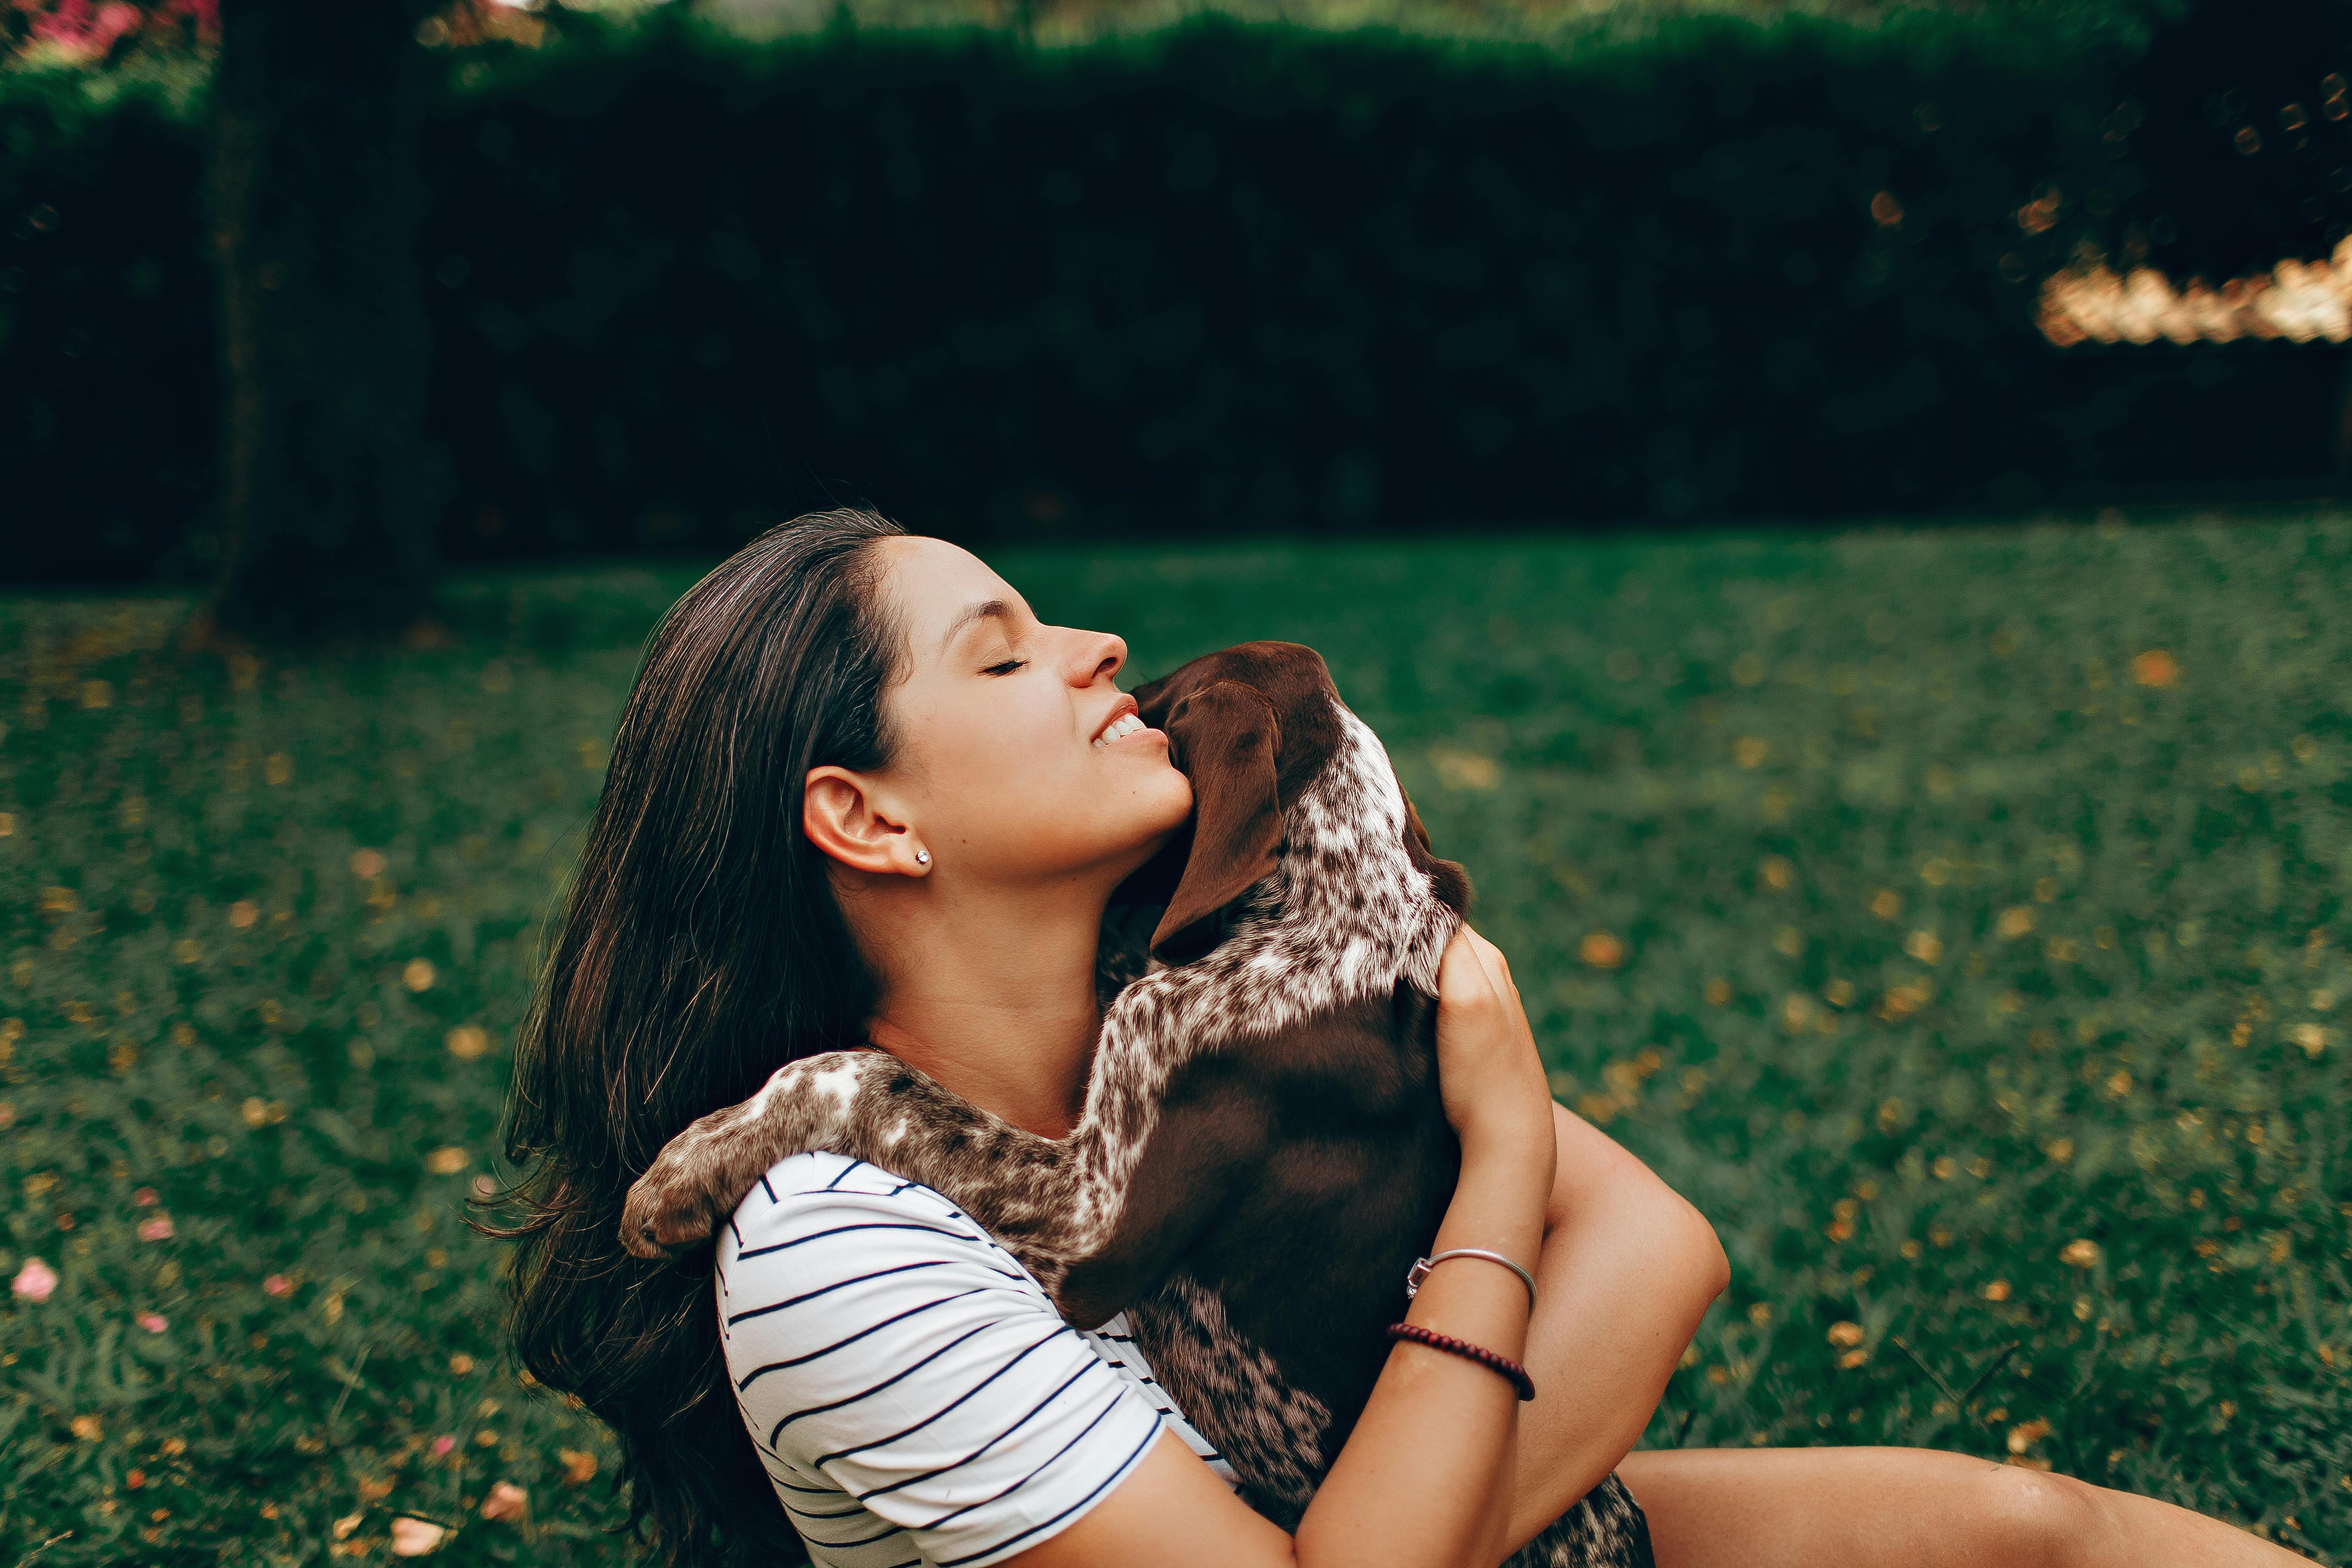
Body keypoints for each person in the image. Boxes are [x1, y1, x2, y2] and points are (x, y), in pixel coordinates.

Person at [498, 508, 2311, 1568]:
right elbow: (1565, 1239)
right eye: (1001, 653)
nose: (1103, 647)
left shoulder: (1200, 988)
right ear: (868, 820)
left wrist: (1393, 1539)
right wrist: (1505, 1155)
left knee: (2026, 1533)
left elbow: (1666, 1251)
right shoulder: (836, 1235)